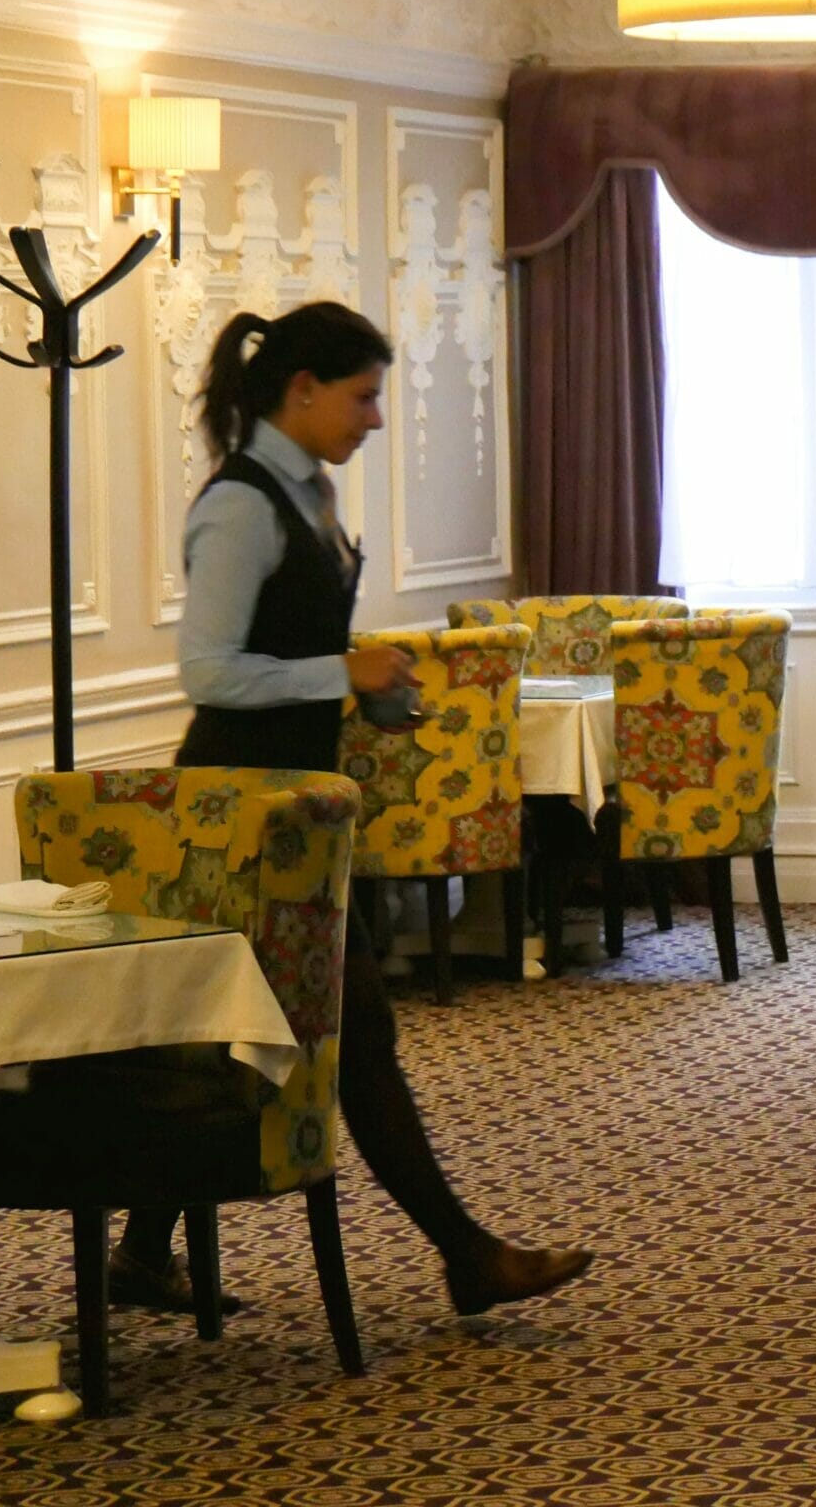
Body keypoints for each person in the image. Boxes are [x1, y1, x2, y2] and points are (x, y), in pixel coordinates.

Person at [111, 300, 591, 1318]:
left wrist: (370, 684)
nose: (375, 417)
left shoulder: (310, 493)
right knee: (354, 1030)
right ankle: (465, 1253)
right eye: (365, 395)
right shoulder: (241, 505)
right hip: (236, 816)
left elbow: (290, 650)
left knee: (248, 1030)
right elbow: (209, 674)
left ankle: (143, 1254)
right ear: (303, 390)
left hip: (298, 812)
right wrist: (342, 669)